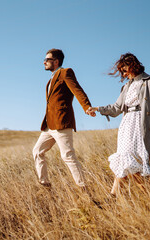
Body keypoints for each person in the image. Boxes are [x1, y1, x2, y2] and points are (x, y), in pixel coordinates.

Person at [88, 53, 150, 196]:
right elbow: (116, 108)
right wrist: (98, 109)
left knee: (132, 161)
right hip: (127, 124)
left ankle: (116, 197)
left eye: (125, 70)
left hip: (141, 123)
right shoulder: (127, 86)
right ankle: (119, 197)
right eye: (121, 71)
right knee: (125, 161)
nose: (123, 74)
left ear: (133, 65)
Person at [33, 48, 95, 189]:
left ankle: (83, 187)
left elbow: (77, 90)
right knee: (37, 151)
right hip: (49, 124)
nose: (44, 62)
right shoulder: (51, 78)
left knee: (67, 155)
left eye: (47, 60)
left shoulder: (65, 72)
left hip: (61, 122)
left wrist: (87, 106)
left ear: (56, 61)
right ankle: (45, 184)